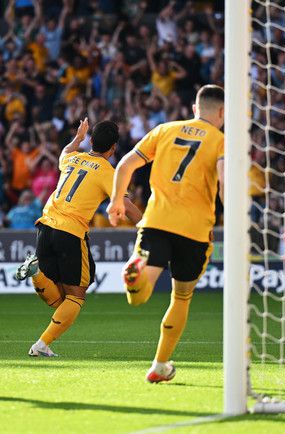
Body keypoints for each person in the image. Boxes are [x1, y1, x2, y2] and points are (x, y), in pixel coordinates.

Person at [107, 85, 225, 383]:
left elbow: (125, 164)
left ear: (195, 109)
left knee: (137, 297)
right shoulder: (221, 141)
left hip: (157, 221)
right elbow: (225, 182)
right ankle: (160, 365)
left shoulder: (164, 130)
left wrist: (116, 201)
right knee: (182, 296)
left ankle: (134, 272)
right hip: (195, 231)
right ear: (222, 112)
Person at [14, 119, 142, 357]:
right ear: (113, 148)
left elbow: (64, 151)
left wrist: (77, 138)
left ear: (91, 140)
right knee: (76, 296)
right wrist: (147, 227)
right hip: (70, 232)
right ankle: (41, 344)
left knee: (61, 299)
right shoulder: (108, 172)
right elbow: (125, 205)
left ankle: (36, 274)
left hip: (45, 226)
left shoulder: (72, 158)